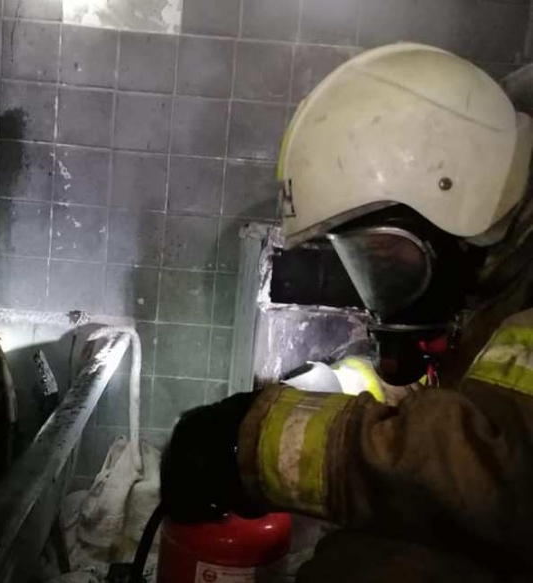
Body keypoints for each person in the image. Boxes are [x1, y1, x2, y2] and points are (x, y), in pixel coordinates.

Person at [161, 44, 533, 581]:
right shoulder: (499, 272)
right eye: (362, 265)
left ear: (458, 204)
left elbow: (501, 471)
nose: (378, 290)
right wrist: (330, 383)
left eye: (388, 259)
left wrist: (254, 440)